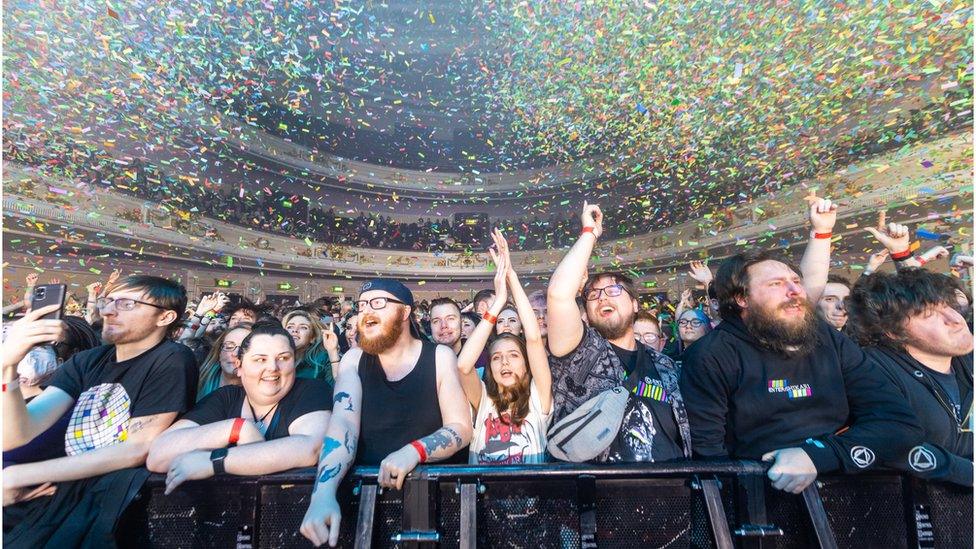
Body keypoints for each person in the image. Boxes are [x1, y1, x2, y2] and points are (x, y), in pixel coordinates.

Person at [679, 249, 924, 494]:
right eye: (776, 284)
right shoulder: (711, 355)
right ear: (742, 299)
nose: (795, 291)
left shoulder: (827, 339)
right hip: (763, 502)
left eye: (796, 282)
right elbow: (709, 456)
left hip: (855, 492)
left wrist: (818, 455)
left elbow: (898, 423)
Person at [2, 275, 198, 547]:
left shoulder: (172, 358)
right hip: (56, 506)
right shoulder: (87, 361)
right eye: (108, 301)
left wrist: (20, 475)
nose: (107, 310)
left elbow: (136, 448)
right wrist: (7, 366)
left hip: (114, 513)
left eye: (127, 304)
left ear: (164, 318)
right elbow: (17, 433)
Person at [300, 278, 472, 547]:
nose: (367, 311)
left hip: (434, 505)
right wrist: (322, 493)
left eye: (378, 303)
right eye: (362, 304)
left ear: (405, 312)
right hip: (367, 504)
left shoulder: (439, 356)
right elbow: (343, 424)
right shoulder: (353, 360)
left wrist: (414, 451)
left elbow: (461, 428)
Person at [545, 202, 691, 462]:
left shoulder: (665, 364)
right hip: (600, 495)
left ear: (635, 304)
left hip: (672, 492)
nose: (602, 298)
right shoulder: (580, 352)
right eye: (593, 294)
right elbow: (558, 294)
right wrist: (589, 231)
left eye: (613, 291)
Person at [147, 322, 333, 493]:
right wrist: (236, 428)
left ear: (294, 363)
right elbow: (158, 455)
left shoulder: (311, 390)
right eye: (260, 359)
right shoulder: (225, 397)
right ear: (239, 366)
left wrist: (213, 461)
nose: (272, 367)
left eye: (283, 358)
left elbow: (310, 448)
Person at [846, 268, 973, 486]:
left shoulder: (966, 360)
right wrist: (965, 471)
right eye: (928, 314)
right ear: (892, 331)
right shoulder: (872, 369)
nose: (954, 319)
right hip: (924, 509)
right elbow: (889, 444)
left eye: (949, 306)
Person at [458, 229, 552, 464]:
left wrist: (511, 276)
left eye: (513, 355)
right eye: (497, 357)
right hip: (482, 498)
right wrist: (498, 301)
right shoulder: (483, 401)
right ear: (489, 366)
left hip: (530, 498)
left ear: (526, 362)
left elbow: (532, 338)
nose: (505, 362)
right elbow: (463, 366)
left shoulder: (538, 399)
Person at [4, 317, 101, 467]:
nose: (30, 350)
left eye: (48, 343)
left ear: (74, 354)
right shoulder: (6, 392)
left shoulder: (67, 409)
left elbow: (11, 447)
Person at [197, 323, 253, 401]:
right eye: (229, 347)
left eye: (244, 348)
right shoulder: (196, 380)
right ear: (219, 353)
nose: (236, 354)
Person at [283, 309, 340, 385]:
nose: (295, 330)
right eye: (290, 327)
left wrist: (332, 352)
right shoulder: (272, 356)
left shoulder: (322, 359)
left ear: (312, 337)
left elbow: (338, 388)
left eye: (303, 327)